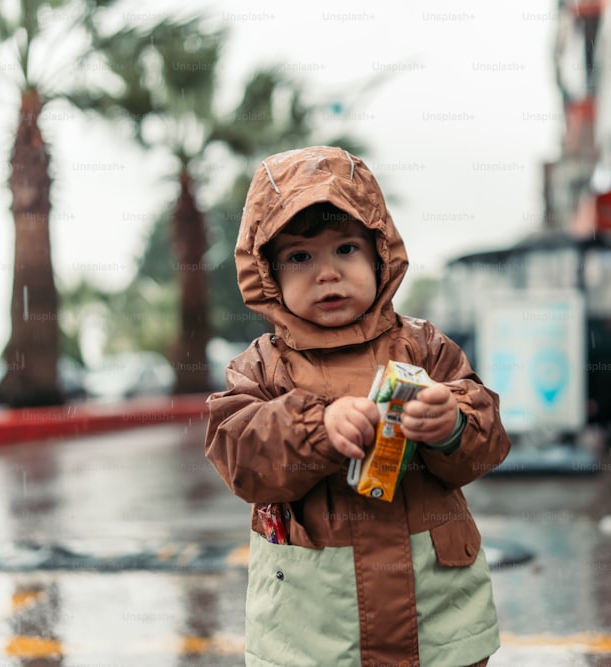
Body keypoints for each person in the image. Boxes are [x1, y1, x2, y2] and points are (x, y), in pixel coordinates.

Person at [204, 145, 511, 667]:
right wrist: (315, 427)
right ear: (268, 276)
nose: (327, 273)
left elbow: (487, 443)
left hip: (436, 615)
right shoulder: (262, 367)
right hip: (318, 624)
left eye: (345, 249)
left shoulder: (425, 347)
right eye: (300, 256)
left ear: (379, 253)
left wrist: (452, 424)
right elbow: (240, 455)